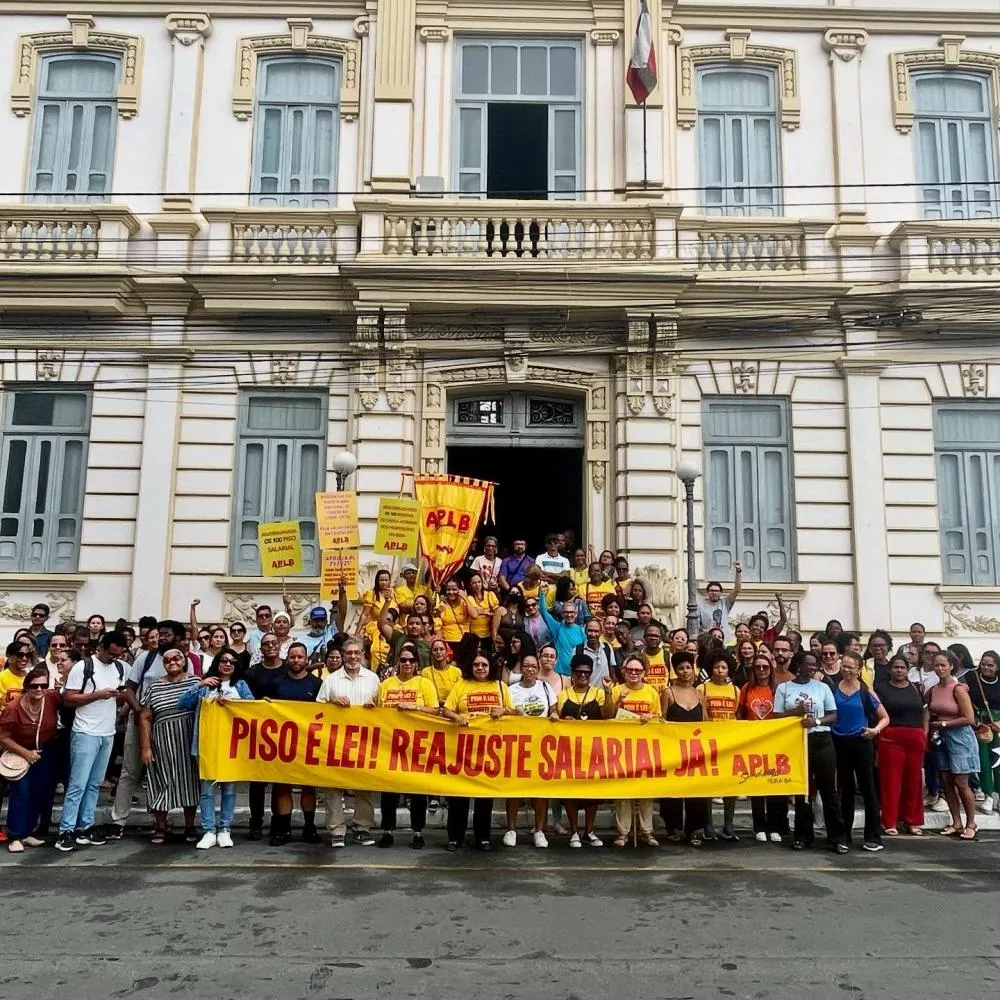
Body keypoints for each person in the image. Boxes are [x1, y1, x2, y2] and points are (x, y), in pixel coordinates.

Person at [106, 620, 191, 839]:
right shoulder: (146, 658)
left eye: (167, 634)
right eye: (159, 634)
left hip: (171, 726)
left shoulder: (186, 661)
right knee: (130, 770)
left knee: (165, 772)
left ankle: (162, 822)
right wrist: (139, 711)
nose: (161, 637)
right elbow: (129, 689)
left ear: (179, 638)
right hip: (141, 720)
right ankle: (119, 819)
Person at [54, 631, 128, 852]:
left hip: (107, 731)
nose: (112, 658)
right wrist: (98, 695)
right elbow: (69, 698)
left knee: (94, 784)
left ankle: (85, 826)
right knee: (78, 783)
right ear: (102, 647)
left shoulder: (121, 667)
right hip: (85, 731)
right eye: (110, 653)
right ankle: (65, 831)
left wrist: (120, 697)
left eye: (118, 654)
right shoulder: (83, 666)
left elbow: (123, 695)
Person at [177, 648, 253, 849]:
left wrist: (233, 704)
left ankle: (225, 829)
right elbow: (182, 703)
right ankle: (209, 830)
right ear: (217, 662)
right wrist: (199, 684)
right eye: (224, 660)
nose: (228, 664)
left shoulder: (240, 685)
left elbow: (253, 709)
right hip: (206, 745)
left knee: (229, 790)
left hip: (231, 746)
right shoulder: (205, 685)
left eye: (232, 662)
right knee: (207, 790)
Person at [774, 649, 848, 853]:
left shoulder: (822, 687)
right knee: (802, 792)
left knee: (829, 791)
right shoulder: (784, 688)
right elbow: (776, 717)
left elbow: (833, 716)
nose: (814, 666)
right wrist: (795, 714)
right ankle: (802, 836)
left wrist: (815, 720)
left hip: (821, 739)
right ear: (798, 666)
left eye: (815, 663)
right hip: (797, 742)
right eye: (809, 663)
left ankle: (837, 838)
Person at [441, 650, 514, 851]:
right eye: (476, 665)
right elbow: (446, 709)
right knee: (459, 796)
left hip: (489, 751)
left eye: (484, 665)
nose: (480, 668)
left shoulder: (500, 687)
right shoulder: (461, 685)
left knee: (484, 798)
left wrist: (504, 710)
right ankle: (455, 837)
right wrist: (456, 718)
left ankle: (483, 837)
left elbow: (515, 713)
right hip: (463, 749)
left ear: (490, 668)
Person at [317, 637, 381, 848]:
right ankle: (337, 830)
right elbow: (315, 711)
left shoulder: (373, 679)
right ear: (342, 656)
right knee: (333, 787)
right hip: (335, 741)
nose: (353, 657)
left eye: (357, 652)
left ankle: (362, 828)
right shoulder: (331, 680)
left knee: (365, 785)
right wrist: (331, 703)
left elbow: (383, 711)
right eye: (348, 653)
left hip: (365, 741)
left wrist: (374, 709)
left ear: (363, 654)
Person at [136, 644, 203, 844]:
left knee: (189, 783)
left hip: (188, 743)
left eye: (177, 658)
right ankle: (160, 826)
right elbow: (145, 717)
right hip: (162, 743)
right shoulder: (155, 685)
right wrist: (146, 747)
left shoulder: (196, 682)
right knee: (160, 782)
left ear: (184, 661)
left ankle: (190, 825)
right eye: (167, 660)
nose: (172, 662)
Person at [376, 642, 438, 849]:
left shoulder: (425, 684)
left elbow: (436, 710)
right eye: (403, 660)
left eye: (411, 660)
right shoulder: (386, 684)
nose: (407, 663)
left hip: (417, 745)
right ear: (398, 662)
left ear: (417, 663)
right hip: (390, 744)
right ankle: (387, 831)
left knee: (417, 791)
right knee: (388, 791)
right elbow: (377, 711)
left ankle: (418, 832)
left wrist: (415, 707)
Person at [832, 651, 889, 852]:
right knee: (844, 790)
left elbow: (884, 717)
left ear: (859, 669)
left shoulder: (866, 691)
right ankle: (843, 835)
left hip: (861, 742)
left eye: (851, 667)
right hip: (839, 742)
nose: (846, 670)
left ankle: (873, 836)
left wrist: (874, 731)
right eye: (844, 665)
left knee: (868, 789)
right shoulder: (833, 689)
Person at [552, 653, 609, 847]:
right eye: (579, 672)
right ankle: (574, 831)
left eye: (587, 672)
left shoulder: (599, 693)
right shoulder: (562, 695)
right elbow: (554, 717)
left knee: (593, 793)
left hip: (594, 750)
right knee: (570, 792)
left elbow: (609, 715)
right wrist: (557, 718)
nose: (583, 676)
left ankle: (589, 831)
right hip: (569, 751)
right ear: (572, 674)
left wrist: (609, 693)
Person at [0, 666, 60, 853]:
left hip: (45, 749)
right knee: (22, 791)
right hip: (20, 751)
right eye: (35, 686)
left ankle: (27, 832)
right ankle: (16, 835)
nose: (39, 690)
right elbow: (2, 737)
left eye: (43, 685)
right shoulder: (14, 708)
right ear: (27, 686)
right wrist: (25, 753)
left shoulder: (51, 698)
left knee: (40, 790)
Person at [267, 643, 322, 845]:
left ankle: (309, 828)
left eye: (300, 657)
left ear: (306, 659)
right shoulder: (276, 683)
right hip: (282, 743)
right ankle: (283, 829)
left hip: (309, 743)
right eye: (292, 657)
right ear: (287, 658)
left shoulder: (316, 684)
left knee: (309, 787)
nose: (296, 660)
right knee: (283, 788)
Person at [610, 653, 662, 847]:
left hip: (645, 748)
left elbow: (660, 719)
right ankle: (623, 833)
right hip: (621, 749)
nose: (633, 673)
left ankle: (647, 831)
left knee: (646, 792)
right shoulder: (616, 690)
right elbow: (606, 716)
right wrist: (616, 702)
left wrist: (651, 716)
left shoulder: (651, 692)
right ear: (624, 671)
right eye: (629, 670)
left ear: (644, 673)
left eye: (637, 670)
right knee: (623, 793)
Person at [927, 649, 979, 840]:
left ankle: (971, 822)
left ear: (951, 666)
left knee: (961, 782)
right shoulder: (933, 689)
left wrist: (944, 724)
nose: (940, 669)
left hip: (959, 737)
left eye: (943, 665)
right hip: (940, 738)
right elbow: (927, 709)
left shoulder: (957, 688)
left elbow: (969, 718)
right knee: (946, 780)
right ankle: (956, 822)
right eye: (937, 665)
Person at [504, 655, 556, 848]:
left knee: (540, 790)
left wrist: (555, 715)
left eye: (534, 666)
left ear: (538, 668)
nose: (530, 670)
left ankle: (539, 830)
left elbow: (553, 710)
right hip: (517, 744)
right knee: (514, 788)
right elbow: (505, 712)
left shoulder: (545, 687)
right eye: (526, 666)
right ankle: (511, 829)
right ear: (521, 669)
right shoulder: (511, 690)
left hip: (541, 745)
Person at [875, 655, 929, 836]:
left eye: (903, 668)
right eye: (896, 667)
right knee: (891, 780)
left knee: (914, 781)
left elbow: (925, 712)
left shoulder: (916, 688)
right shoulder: (881, 688)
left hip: (915, 737)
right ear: (890, 670)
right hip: (891, 736)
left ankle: (912, 821)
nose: (899, 671)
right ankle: (889, 821)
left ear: (908, 670)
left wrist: (925, 733)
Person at [660, 651, 710, 845]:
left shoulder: (700, 693)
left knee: (695, 791)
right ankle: (671, 827)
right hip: (673, 750)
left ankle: (692, 830)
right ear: (675, 671)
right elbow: (661, 720)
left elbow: (705, 722)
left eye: (688, 667)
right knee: (672, 791)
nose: (685, 671)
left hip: (695, 750)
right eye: (681, 668)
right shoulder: (668, 692)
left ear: (693, 669)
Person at [738, 654, 788, 843]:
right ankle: (759, 827)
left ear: (770, 669)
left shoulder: (778, 689)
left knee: (774, 784)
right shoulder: (746, 688)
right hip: (753, 743)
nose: (761, 670)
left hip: (776, 743)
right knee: (757, 785)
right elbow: (741, 713)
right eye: (757, 667)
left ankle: (774, 826)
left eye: (765, 667)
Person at [697, 652, 741, 840]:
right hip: (708, 742)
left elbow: (736, 714)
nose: (720, 671)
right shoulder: (702, 689)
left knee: (730, 784)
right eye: (716, 667)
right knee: (708, 785)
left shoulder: (735, 691)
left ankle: (728, 824)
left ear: (729, 669)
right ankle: (708, 824)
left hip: (729, 743)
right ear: (710, 668)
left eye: (723, 667)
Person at [969, 650, 1000, 816]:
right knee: (984, 760)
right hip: (981, 725)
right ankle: (988, 795)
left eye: (990, 665)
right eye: (983, 664)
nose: (986, 668)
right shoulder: (972, 679)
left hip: (998, 725)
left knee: (999, 760)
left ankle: (999, 795)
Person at [536, 590, 585, 677]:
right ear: (562, 614)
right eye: (566, 612)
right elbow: (543, 612)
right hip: (558, 673)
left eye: (571, 612)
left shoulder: (582, 631)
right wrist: (542, 593)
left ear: (576, 614)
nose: (569, 615)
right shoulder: (557, 628)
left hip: (575, 674)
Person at [696, 563, 742, 641]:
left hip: (724, 642)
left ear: (720, 593)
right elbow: (696, 627)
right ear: (707, 592)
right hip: (708, 642)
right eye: (712, 590)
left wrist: (738, 571)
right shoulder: (700, 606)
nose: (714, 593)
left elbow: (737, 589)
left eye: (717, 591)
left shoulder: (725, 603)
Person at [575, 619, 615, 688]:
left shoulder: (607, 648)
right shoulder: (578, 650)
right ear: (585, 631)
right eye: (590, 631)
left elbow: (612, 673)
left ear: (601, 632)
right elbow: (574, 674)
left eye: (596, 631)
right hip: (585, 694)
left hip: (604, 693)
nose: (593, 634)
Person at [422, 637, 462, 706]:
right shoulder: (425, 672)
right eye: (435, 650)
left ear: (446, 651)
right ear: (431, 653)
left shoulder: (456, 671)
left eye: (441, 649)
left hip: (451, 707)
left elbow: (459, 694)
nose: (438, 652)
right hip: (433, 707)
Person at [465, 572, 499, 653]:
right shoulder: (469, 598)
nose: (477, 585)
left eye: (479, 582)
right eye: (474, 583)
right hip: (473, 634)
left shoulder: (489, 595)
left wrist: (479, 611)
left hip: (488, 634)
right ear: (470, 585)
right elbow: (473, 614)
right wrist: (485, 611)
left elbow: (497, 613)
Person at [438, 579, 472, 647]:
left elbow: (474, 615)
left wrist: (465, 598)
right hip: (447, 641)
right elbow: (437, 627)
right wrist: (441, 643)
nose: (451, 592)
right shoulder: (442, 604)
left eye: (454, 589)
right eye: (448, 589)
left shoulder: (466, 602)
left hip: (464, 641)